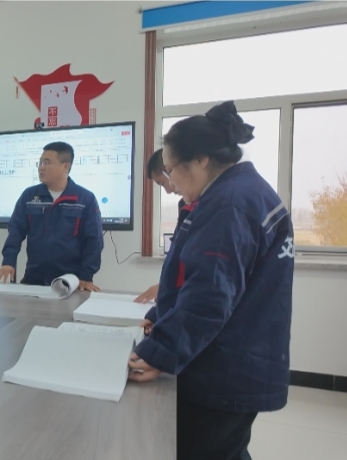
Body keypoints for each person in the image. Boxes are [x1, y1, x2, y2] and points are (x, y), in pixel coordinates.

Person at [128, 101, 294, 460]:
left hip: (226, 366)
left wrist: (161, 351)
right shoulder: (237, 192)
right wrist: (161, 317)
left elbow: (211, 294)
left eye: (171, 170)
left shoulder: (228, 204)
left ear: (201, 160)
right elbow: (193, 275)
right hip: (237, 354)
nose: (171, 183)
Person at [0, 141, 104, 290]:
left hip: (70, 282)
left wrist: (86, 276)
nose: (41, 167)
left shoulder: (85, 199)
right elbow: (16, 230)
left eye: (47, 163)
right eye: (40, 163)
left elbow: (94, 241)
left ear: (65, 166)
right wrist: (8, 261)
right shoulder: (30, 196)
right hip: (34, 279)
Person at [134, 148, 190, 304]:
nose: (168, 190)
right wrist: (166, 287)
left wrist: (168, 289)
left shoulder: (210, 207)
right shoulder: (185, 206)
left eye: (162, 183)